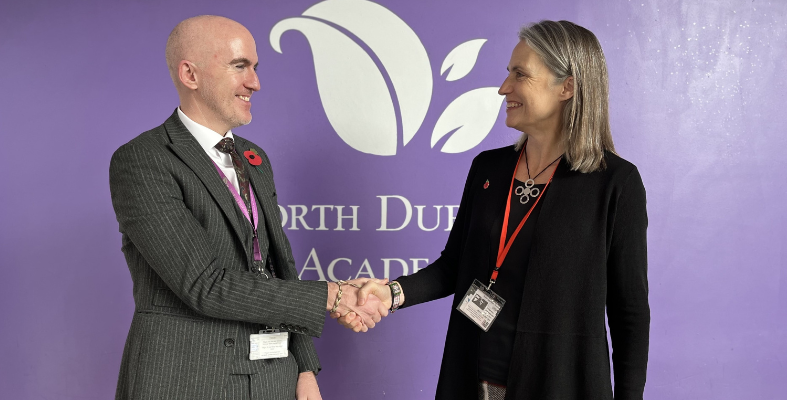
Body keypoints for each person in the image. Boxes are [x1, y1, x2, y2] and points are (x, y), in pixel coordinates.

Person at [340, 20, 650, 400]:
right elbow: (453, 266)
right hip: (473, 375)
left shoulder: (615, 183)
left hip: (558, 384)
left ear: (567, 86)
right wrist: (391, 294)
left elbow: (628, 313)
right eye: (508, 74)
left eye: (520, 75)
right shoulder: (489, 168)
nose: (505, 88)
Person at [108, 15, 386, 400]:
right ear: (190, 74)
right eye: (240, 66)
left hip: (272, 378)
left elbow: (279, 267)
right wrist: (333, 294)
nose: (255, 82)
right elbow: (204, 285)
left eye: (255, 68)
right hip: (185, 379)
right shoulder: (143, 160)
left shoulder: (254, 157)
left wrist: (304, 366)